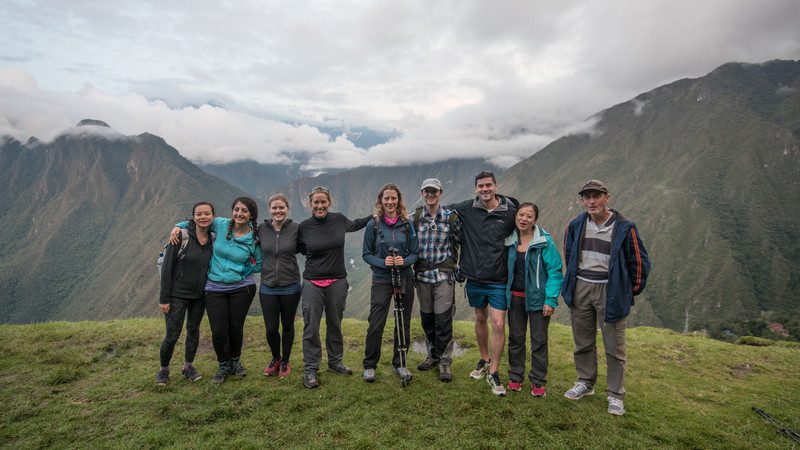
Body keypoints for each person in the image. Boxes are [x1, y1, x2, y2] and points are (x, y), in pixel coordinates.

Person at [561, 180, 650, 416]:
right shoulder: (576, 224)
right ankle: (585, 381)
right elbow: (569, 255)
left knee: (614, 346)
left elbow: (639, 262)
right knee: (583, 340)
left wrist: (628, 290)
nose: (591, 201)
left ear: (606, 198)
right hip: (581, 286)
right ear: (582, 200)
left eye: (596, 196)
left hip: (609, 291)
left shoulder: (624, 227)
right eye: (587, 197)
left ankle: (615, 394)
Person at [170, 197, 262, 384]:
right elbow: (197, 220)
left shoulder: (254, 237)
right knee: (219, 330)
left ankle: (235, 362)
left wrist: (241, 272)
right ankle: (223, 365)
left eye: (244, 210)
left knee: (235, 328)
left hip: (241, 288)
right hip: (214, 288)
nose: (239, 213)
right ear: (232, 211)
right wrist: (177, 227)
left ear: (251, 215)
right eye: (236, 209)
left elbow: (259, 264)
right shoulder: (220, 225)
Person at [449, 171, 518, 396]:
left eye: (488, 185)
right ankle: (484, 358)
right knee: (480, 317)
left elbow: (527, 225)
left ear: (496, 186)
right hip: (475, 277)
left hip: (498, 278)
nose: (485, 189)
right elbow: (440, 209)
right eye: (481, 186)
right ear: (476, 188)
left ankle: (494, 371)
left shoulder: (510, 212)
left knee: (498, 323)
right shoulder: (467, 208)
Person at [297, 186, 371, 389]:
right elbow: (297, 248)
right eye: (316, 202)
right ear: (310, 204)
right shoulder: (304, 227)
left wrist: (375, 216)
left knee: (335, 323)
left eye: (323, 202)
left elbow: (355, 225)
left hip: (338, 280)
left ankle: (335, 362)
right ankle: (311, 368)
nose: (320, 205)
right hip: (313, 281)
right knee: (311, 325)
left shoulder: (339, 219)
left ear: (329, 202)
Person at [504, 202, 563, 397]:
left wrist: (551, 299)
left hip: (538, 299)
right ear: (516, 216)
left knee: (539, 339)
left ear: (535, 220)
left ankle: (538, 380)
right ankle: (515, 376)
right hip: (515, 298)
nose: (524, 219)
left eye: (529, 216)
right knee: (516, 338)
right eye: (521, 215)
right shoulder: (510, 241)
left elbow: (555, 271)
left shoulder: (544, 242)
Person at [362, 184, 418, 383]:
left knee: (403, 322)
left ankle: (401, 363)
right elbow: (366, 254)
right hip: (382, 278)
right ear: (381, 200)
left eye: (393, 198)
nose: (390, 202)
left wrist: (405, 261)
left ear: (399, 200)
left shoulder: (407, 223)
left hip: (405, 277)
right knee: (376, 322)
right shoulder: (374, 225)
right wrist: (382, 262)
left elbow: (415, 253)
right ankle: (370, 365)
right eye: (386, 198)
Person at [156, 202, 215, 385]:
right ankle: (164, 369)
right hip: (177, 295)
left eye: (207, 214)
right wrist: (164, 299)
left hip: (199, 296)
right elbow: (167, 268)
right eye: (199, 214)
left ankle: (188, 366)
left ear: (213, 216)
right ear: (193, 217)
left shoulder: (213, 237)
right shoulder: (180, 237)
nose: (203, 217)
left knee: (193, 331)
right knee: (172, 335)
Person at [412, 178, 460, 382]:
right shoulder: (414, 217)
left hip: (443, 276)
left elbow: (462, 242)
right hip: (422, 276)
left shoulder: (451, 218)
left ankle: (445, 361)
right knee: (428, 319)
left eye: (434, 191)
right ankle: (432, 355)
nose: (430, 195)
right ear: (422, 193)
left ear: (440, 192)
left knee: (443, 319)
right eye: (427, 191)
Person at [256, 194, 301, 379]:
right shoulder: (261, 229)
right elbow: (235, 228)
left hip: (290, 284)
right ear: (269, 209)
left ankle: (285, 361)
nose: (278, 211)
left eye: (281, 207)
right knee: (271, 328)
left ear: (287, 209)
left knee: (288, 324)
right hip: (267, 285)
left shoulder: (296, 229)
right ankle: (275, 357)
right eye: (274, 208)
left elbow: (309, 245)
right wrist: (181, 226)